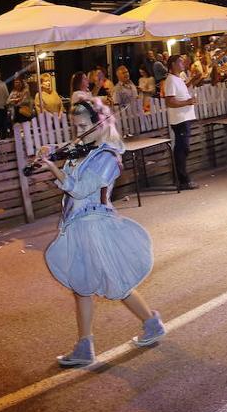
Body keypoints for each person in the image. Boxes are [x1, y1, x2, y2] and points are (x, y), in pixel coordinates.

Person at [35, 98, 165, 367]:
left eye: (84, 125)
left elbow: (80, 189)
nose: (78, 132)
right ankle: (86, 345)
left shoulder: (107, 156)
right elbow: (70, 183)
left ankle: (150, 324)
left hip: (94, 225)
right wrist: (53, 155)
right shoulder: (85, 151)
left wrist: (53, 168)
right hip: (79, 224)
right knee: (81, 285)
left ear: (100, 123)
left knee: (114, 283)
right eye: (75, 127)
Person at [161, 55, 199, 191]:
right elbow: (169, 101)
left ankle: (182, 178)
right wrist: (187, 102)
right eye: (179, 62)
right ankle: (183, 180)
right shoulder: (170, 80)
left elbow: (182, 91)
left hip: (184, 118)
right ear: (172, 65)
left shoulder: (178, 78)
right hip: (180, 119)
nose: (183, 63)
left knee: (184, 148)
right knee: (182, 149)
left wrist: (193, 80)